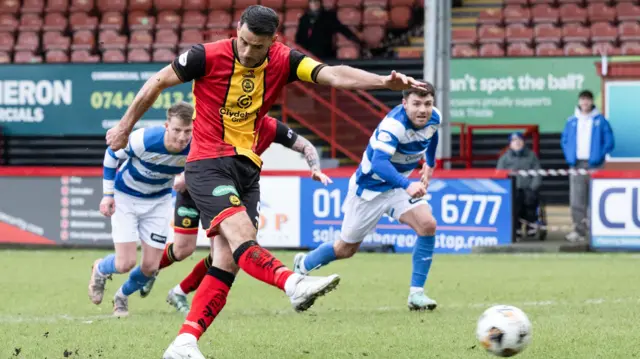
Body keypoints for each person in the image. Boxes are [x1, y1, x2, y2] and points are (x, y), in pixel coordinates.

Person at [105, 5, 425, 358]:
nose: (247, 51)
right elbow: (158, 81)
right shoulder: (205, 55)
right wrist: (123, 126)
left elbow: (333, 75)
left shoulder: (284, 60)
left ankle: (184, 342)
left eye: (257, 46)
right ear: (237, 30)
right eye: (243, 41)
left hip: (246, 168)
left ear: (272, 41)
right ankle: (293, 282)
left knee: (227, 260)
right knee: (241, 235)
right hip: (208, 161)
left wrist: (383, 81)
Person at [139, 115, 332, 315]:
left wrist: (315, 168)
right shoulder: (222, 117)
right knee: (184, 250)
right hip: (203, 182)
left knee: (223, 255)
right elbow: (190, 142)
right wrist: (183, 173)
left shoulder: (269, 126)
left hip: (235, 187)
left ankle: (180, 295)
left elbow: (305, 145)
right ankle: (149, 271)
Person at [293, 83, 440, 311]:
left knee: (427, 224)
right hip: (369, 191)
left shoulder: (433, 117)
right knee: (345, 249)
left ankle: (416, 294)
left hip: (398, 187)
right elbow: (380, 164)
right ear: (404, 103)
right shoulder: (393, 126)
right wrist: (407, 185)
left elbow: (432, 136)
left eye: (428, 104)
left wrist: (430, 164)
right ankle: (303, 264)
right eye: (416, 104)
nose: (423, 110)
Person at [88, 102, 194, 317]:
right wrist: (107, 195)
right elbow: (111, 156)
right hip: (126, 197)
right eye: (176, 130)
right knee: (125, 263)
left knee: (150, 267)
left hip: (158, 202)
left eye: (187, 131)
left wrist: (186, 178)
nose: (182, 137)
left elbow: (204, 169)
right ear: (167, 126)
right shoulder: (144, 139)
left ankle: (121, 296)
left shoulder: (197, 146)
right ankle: (100, 268)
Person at [561, 90, 614, 242]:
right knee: (577, 199)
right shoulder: (571, 121)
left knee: (595, 198)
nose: (585, 103)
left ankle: (595, 230)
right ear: (579, 102)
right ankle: (579, 231)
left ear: (591, 102)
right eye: (582, 100)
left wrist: (599, 156)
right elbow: (565, 141)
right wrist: (569, 156)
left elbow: (609, 141)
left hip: (595, 164)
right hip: (576, 164)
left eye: (587, 100)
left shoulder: (600, 120)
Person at [496, 132, 542, 237]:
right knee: (515, 203)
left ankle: (531, 225)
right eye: (514, 140)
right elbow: (499, 174)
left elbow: (537, 173)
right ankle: (516, 227)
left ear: (523, 142)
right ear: (510, 143)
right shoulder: (504, 158)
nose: (517, 142)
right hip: (512, 189)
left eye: (519, 140)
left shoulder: (531, 156)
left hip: (528, 187)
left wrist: (533, 187)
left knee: (530, 200)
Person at [295, 0, 366, 60]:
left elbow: (342, 29)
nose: (315, 4)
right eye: (312, 2)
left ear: (320, 3)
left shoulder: (329, 16)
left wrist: (356, 40)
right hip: (308, 53)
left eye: (316, 2)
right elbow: (299, 36)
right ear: (309, 4)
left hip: (325, 52)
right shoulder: (304, 18)